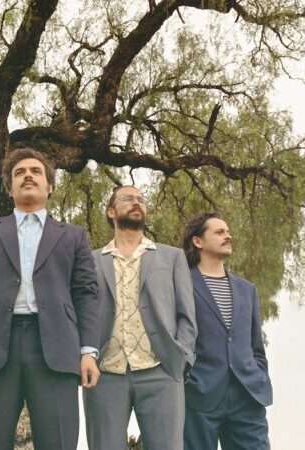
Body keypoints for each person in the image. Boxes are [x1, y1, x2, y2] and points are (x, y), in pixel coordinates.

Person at [0, 146, 100, 450]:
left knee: (59, 442)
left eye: (36, 171)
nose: (28, 176)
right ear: (10, 188)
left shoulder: (73, 236)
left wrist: (88, 351)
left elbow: (86, 294)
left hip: (56, 349)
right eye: (19, 172)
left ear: (50, 185)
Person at [83, 185, 197, 450]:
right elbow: (82, 313)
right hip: (105, 373)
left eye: (141, 199)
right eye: (128, 199)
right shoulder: (89, 260)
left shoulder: (172, 257)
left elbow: (187, 315)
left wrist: (181, 357)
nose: (137, 202)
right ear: (111, 211)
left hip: (161, 370)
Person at [181, 213, 273, 450]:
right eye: (219, 232)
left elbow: (256, 346)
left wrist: (259, 375)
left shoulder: (247, 289)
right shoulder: (181, 284)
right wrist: (188, 380)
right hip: (200, 396)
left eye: (228, 231)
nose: (228, 236)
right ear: (198, 241)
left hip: (247, 395)